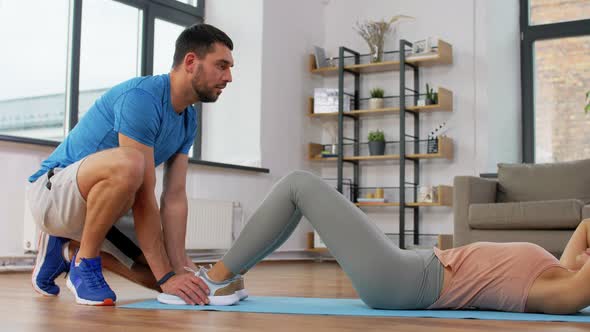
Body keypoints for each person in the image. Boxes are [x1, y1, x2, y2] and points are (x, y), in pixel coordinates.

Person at [156, 171, 590, 314]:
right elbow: (584, 233)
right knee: (298, 194)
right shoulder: (562, 269)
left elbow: (578, 288)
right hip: (409, 266)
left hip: (404, 281)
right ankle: (229, 280)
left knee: (298, 185)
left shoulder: (562, 292)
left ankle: (215, 280)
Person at [27, 23, 234, 306]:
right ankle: (85, 263)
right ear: (190, 62)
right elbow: (144, 197)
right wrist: (167, 275)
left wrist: (178, 271)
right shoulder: (142, 98)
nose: (229, 77)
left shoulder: (188, 119)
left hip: (105, 207)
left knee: (177, 283)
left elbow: (174, 198)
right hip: (52, 196)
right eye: (221, 66)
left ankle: (70, 250)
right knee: (131, 162)